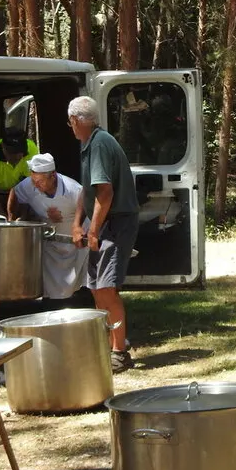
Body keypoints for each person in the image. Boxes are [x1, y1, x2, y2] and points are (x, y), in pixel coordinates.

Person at [68, 96, 139, 373]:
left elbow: (105, 193)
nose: (70, 127)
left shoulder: (99, 144)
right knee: (96, 287)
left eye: (70, 122)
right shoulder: (89, 144)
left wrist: (93, 230)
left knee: (107, 288)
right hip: (104, 222)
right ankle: (112, 344)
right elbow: (87, 190)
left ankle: (120, 353)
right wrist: (77, 224)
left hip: (116, 222)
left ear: (76, 120)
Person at [7, 153, 89, 301]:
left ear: (53, 176)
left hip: (74, 237)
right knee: (51, 282)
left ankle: (81, 301)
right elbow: (15, 193)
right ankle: (52, 305)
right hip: (51, 237)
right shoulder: (29, 185)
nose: (36, 185)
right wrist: (11, 217)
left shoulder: (72, 189)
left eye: (40, 181)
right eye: (34, 181)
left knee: (79, 279)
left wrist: (77, 226)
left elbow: (85, 204)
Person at [0, 128, 39, 218]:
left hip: (18, 192)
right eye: (12, 153)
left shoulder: (32, 149)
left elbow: (28, 184)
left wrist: (23, 215)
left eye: (20, 153)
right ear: (3, 147)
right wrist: (4, 216)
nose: (17, 157)